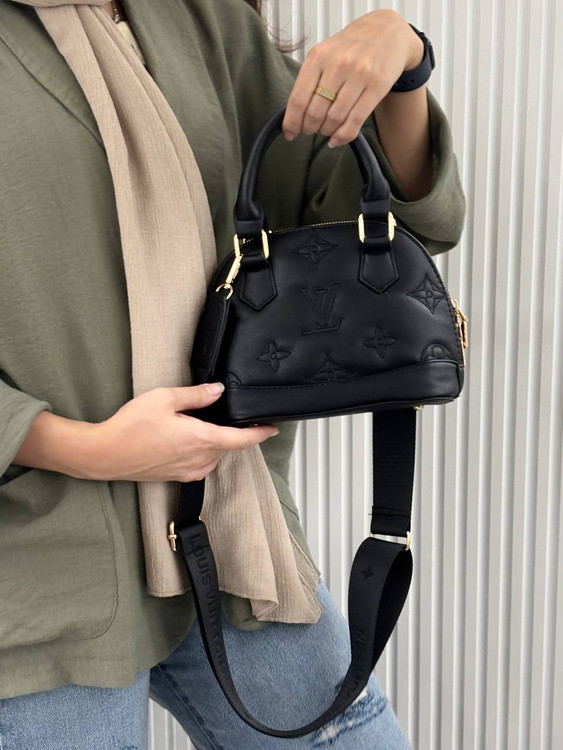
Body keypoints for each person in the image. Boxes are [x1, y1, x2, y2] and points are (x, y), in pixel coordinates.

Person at [0, 0, 465, 747]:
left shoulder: (200, 18)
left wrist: (402, 63)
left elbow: (375, 226)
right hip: (37, 571)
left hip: (233, 534)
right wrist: (88, 449)